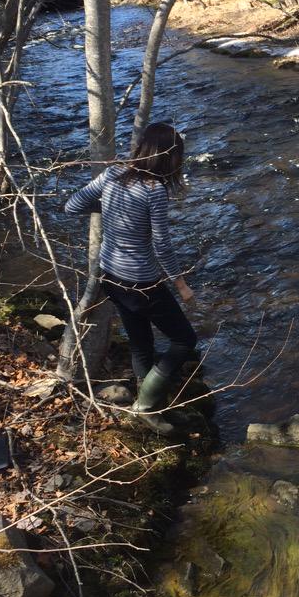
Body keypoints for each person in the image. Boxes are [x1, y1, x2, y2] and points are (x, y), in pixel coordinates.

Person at [65, 123, 196, 432]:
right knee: (184, 340)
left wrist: (112, 208)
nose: (179, 162)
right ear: (167, 157)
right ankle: (146, 406)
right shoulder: (155, 191)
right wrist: (182, 286)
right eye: (177, 156)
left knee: (141, 345)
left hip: (111, 276)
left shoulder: (112, 175)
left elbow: (72, 206)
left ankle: (155, 407)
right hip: (141, 282)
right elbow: (162, 245)